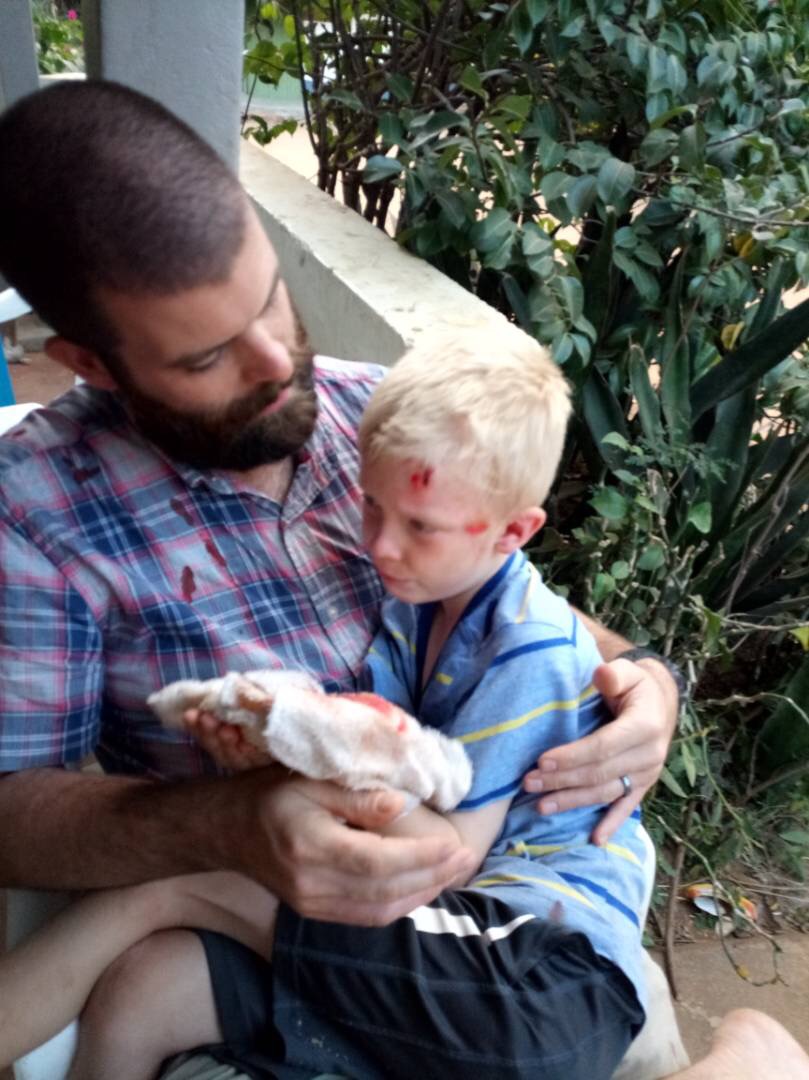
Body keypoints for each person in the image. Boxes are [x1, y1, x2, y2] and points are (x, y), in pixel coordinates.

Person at [0, 80, 679, 1077]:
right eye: (208, 355)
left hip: (510, 924)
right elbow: (11, 814)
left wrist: (646, 682)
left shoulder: (380, 412)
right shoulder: (35, 513)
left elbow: (508, 606)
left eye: (269, 296)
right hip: (263, 958)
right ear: (92, 364)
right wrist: (227, 828)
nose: (277, 363)